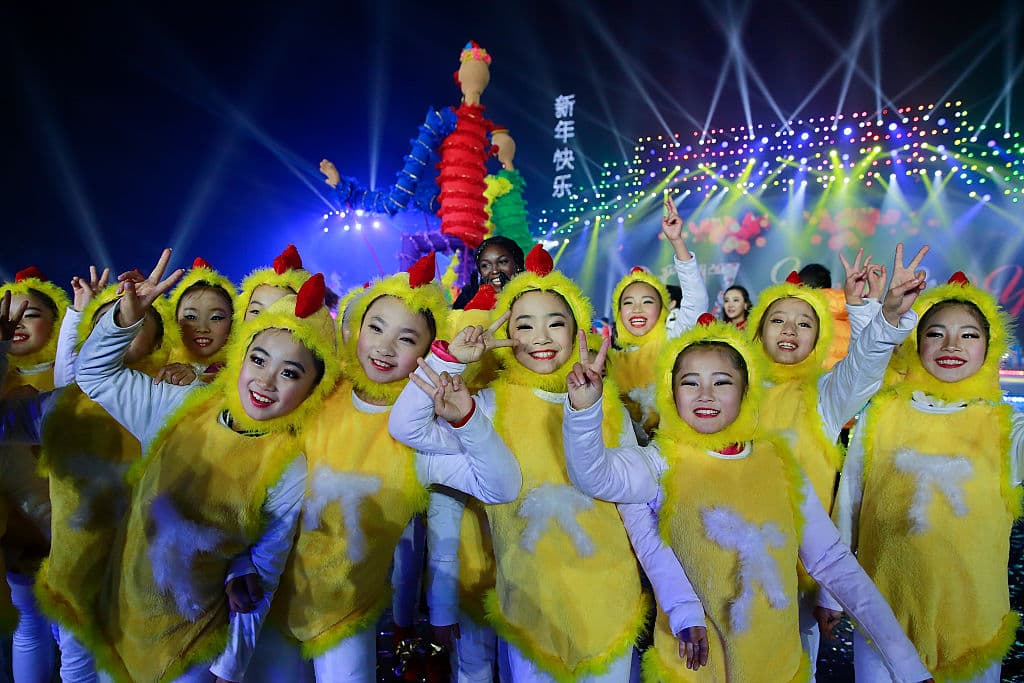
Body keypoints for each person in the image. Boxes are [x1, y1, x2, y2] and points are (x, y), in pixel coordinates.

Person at [560, 314, 934, 683]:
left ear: (746, 390)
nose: (705, 395)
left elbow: (834, 563)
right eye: (690, 383)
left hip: (775, 663)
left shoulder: (779, 462)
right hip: (691, 667)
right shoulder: (659, 461)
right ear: (671, 393)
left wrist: (907, 665)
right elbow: (595, 475)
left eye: (721, 382)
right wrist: (584, 410)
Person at [70, 250, 341, 683]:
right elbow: (95, 376)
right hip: (123, 620)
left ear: (313, 386)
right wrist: (125, 316)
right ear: (241, 355)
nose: (266, 382)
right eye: (258, 359)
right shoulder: (179, 404)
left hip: (194, 643)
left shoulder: (289, 466)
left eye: (290, 373)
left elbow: (262, 575)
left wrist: (229, 668)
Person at [391, 245, 647, 683]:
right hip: (531, 604)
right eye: (524, 325)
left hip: (608, 600)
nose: (541, 337)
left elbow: (635, 504)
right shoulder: (489, 406)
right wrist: (448, 359)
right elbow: (409, 428)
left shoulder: (606, 406)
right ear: (507, 334)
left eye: (555, 324)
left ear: (577, 330)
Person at [270, 253, 522, 683]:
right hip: (265, 594)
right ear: (355, 329)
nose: (385, 348)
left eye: (406, 339)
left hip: (345, 610)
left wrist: (463, 412)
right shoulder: (317, 391)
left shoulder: (419, 436)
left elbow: (497, 486)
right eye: (376, 328)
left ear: (428, 350)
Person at [745, 244, 927, 673]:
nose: (789, 330)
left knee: (793, 667)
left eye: (803, 323)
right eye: (778, 320)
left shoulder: (825, 395)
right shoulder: (731, 391)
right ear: (757, 331)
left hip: (801, 572)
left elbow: (863, 368)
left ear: (819, 336)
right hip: (730, 561)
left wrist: (885, 317)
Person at [833, 272, 1024, 682]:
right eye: (935, 333)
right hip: (882, 615)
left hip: (971, 624)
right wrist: (832, 593)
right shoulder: (881, 414)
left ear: (989, 348)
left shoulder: (1009, 427)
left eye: (968, 335)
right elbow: (850, 501)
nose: (951, 346)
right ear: (917, 343)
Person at [0, 267, 69, 683]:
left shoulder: (66, 373)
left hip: (66, 523)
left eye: (31, 313)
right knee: (29, 626)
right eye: (10, 313)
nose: (17, 322)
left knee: (71, 631)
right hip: (18, 530)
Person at [608, 193, 708, 436]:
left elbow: (696, 301)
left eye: (647, 301)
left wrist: (677, 242)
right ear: (619, 312)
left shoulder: (672, 338)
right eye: (628, 302)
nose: (637, 309)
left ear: (662, 309)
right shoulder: (609, 358)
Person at [452, 236, 526, 310]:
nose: (495, 271)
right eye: (485, 265)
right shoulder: (468, 297)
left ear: (517, 264)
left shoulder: (532, 295)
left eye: (502, 262)